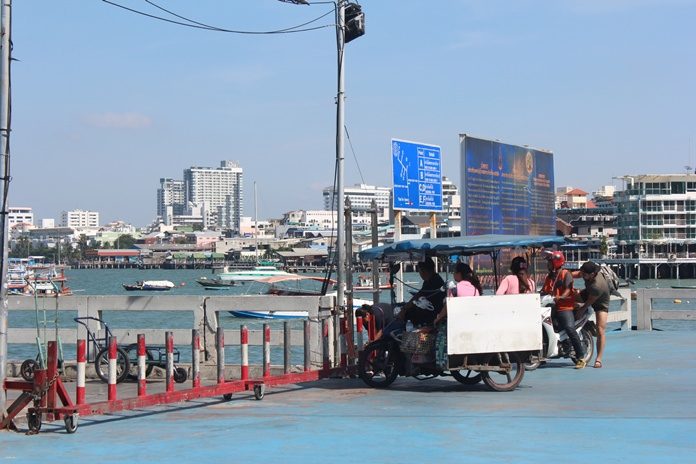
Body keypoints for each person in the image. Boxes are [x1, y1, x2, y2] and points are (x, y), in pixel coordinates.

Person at [541, 251, 586, 369]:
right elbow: (544, 290)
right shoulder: (549, 277)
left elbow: (568, 289)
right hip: (551, 307)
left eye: (549, 262)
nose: (548, 265)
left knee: (569, 328)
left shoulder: (566, 274)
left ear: (556, 262)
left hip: (565, 307)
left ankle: (581, 357)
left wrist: (561, 297)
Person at [379, 257, 445, 339]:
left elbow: (418, 296)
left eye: (419, 271)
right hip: (430, 311)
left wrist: (403, 310)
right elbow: (419, 295)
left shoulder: (433, 281)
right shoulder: (433, 279)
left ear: (423, 270)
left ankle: (396, 338)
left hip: (431, 314)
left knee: (406, 314)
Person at [433, 262, 481, 369]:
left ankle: (441, 361)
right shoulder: (475, 290)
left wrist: (438, 318)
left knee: (440, 331)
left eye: (454, 272)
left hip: (456, 325)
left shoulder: (455, 288)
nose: (453, 274)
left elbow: (447, 307)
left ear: (459, 274)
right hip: (471, 324)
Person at [574, 261, 610, 368]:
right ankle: (582, 324)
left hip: (601, 303)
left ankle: (598, 359)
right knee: (570, 297)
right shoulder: (586, 273)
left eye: (584, 274)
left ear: (592, 274)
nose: (582, 275)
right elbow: (577, 274)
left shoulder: (597, 285)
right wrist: (565, 275)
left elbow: (590, 301)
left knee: (600, 330)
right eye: (582, 272)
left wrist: (582, 309)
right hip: (589, 292)